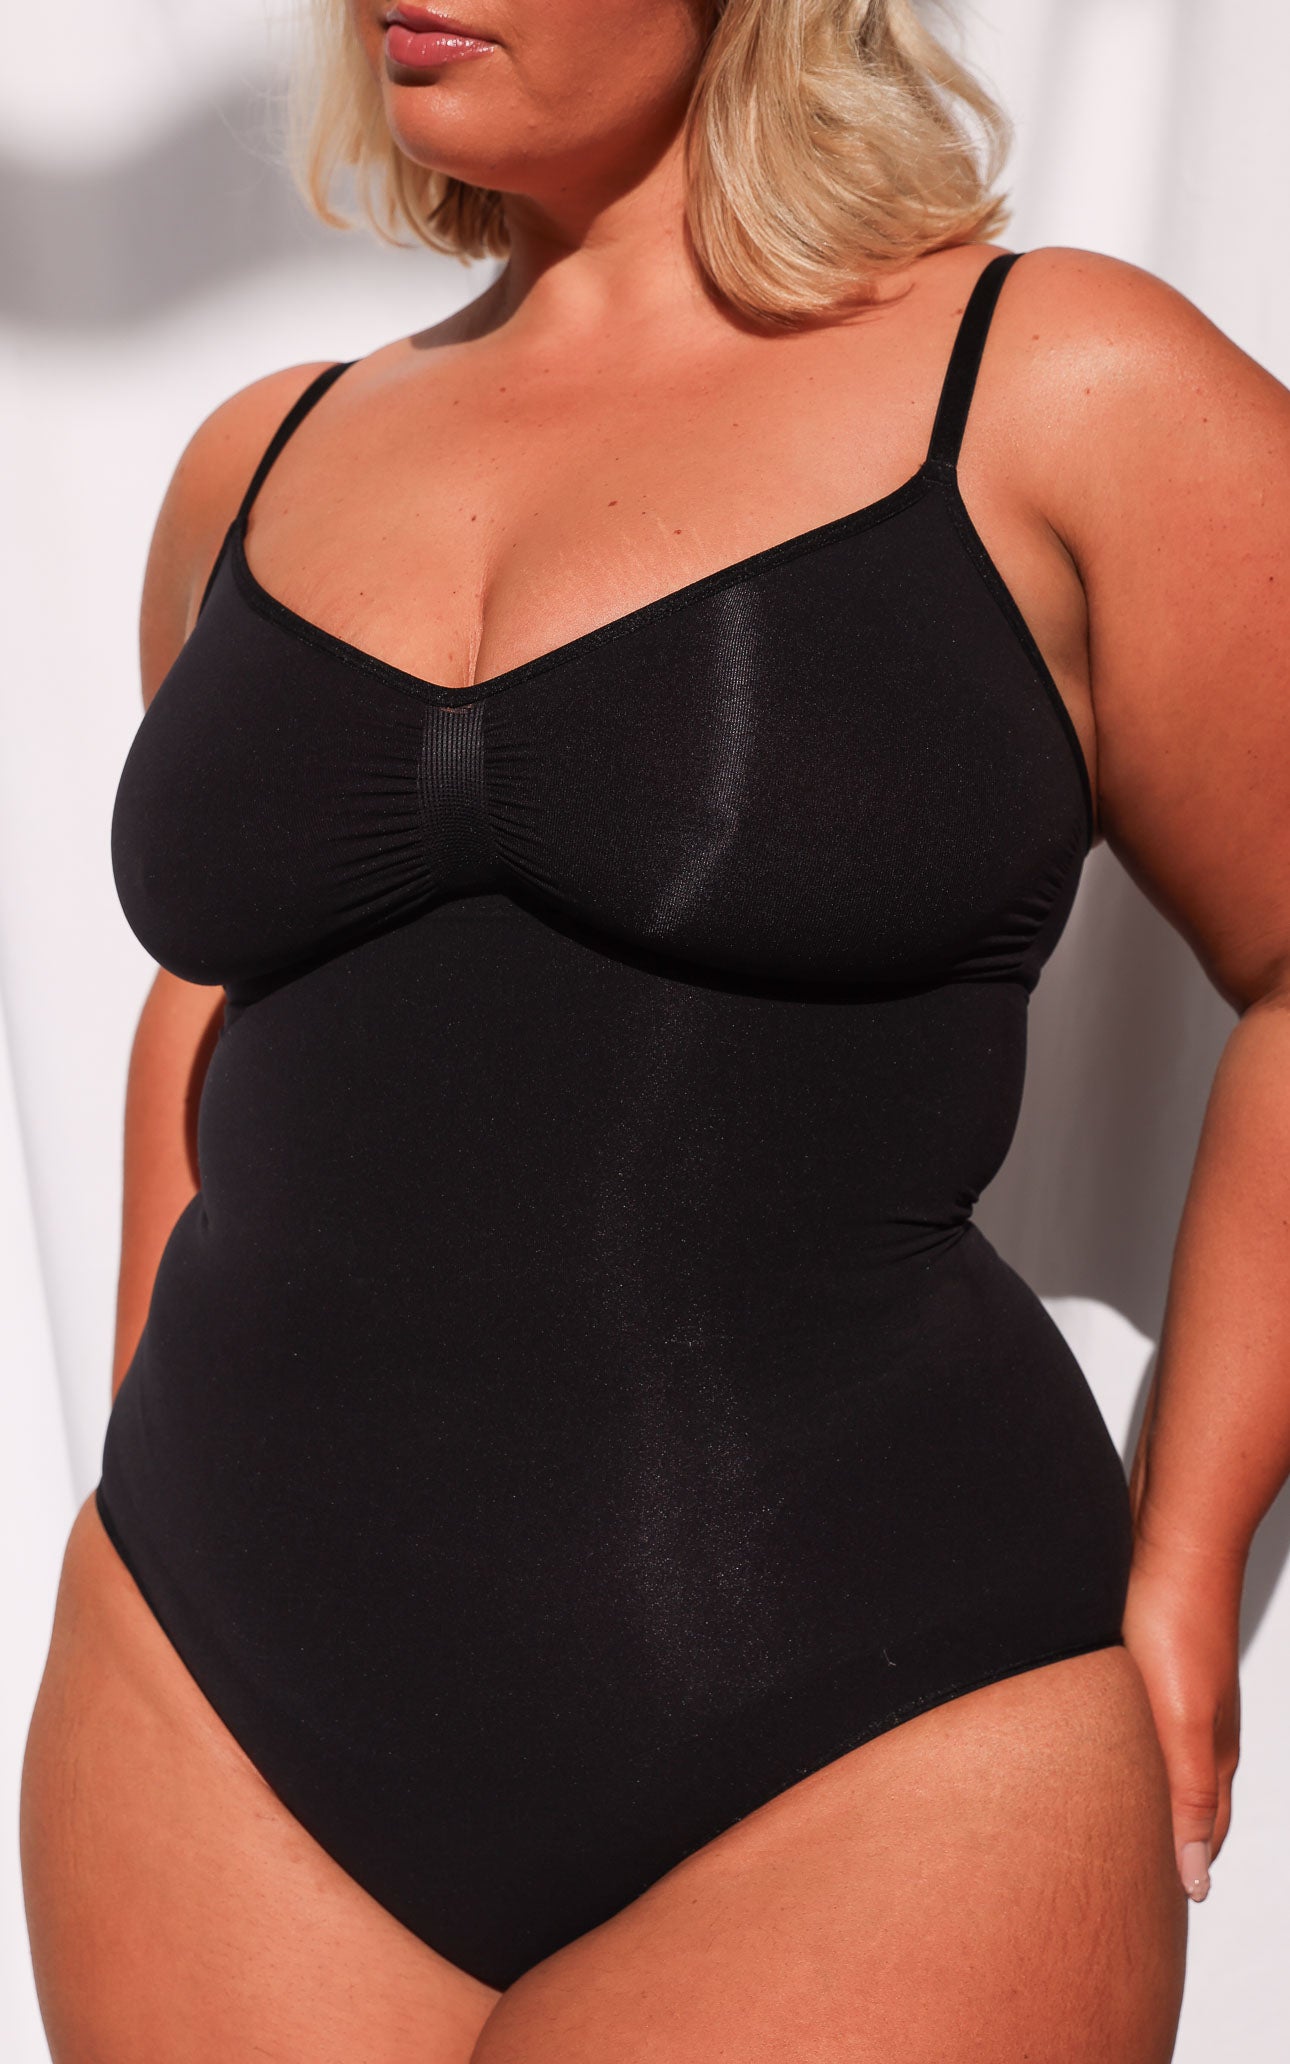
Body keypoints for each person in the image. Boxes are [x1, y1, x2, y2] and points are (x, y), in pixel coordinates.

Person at [18, 2, 1290, 2058]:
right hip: (210, 1706)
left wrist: (1189, 1562)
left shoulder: (1053, 381)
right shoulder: (257, 456)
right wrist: (139, 1493)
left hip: (868, 1724)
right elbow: (232, 987)